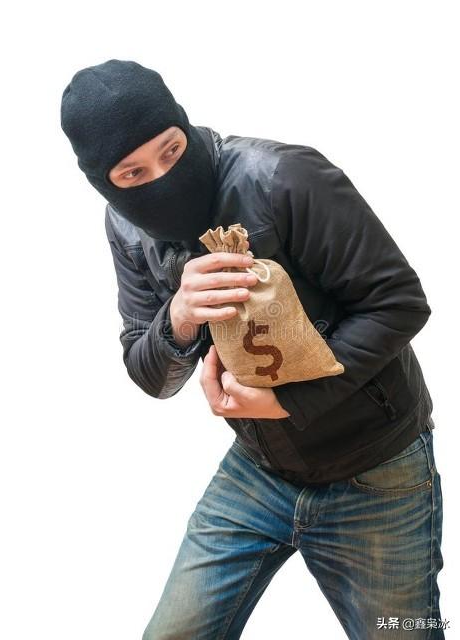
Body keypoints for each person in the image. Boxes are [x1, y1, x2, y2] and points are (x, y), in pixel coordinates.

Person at [60, 59, 445, 639]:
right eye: (132, 173)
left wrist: (290, 401)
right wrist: (179, 317)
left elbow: (399, 303)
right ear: (105, 183)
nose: (162, 178)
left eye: (171, 150)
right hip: (259, 468)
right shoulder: (126, 226)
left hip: (377, 469)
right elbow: (149, 374)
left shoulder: (286, 177)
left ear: (184, 126)